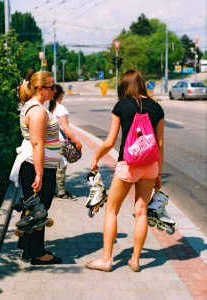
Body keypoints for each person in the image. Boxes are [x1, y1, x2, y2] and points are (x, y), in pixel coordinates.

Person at [85, 70, 164, 272]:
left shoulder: (122, 106)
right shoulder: (157, 108)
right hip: (150, 166)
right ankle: (135, 261)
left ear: (124, 86)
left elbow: (110, 141)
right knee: (141, 212)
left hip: (128, 164)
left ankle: (106, 259)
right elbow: (160, 145)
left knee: (112, 210)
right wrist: (159, 174)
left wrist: (95, 158)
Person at [14, 70, 62, 265]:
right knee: (39, 209)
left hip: (37, 166)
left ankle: (28, 248)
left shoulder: (35, 107)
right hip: (36, 167)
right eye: (51, 87)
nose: (54, 90)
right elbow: (37, 144)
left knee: (34, 208)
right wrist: (40, 174)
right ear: (41, 89)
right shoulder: (37, 111)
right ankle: (37, 253)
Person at [49, 84, 82, 200]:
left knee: (54, 166)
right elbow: (65, 128)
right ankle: (61, 192)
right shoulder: (61, 108)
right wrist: (76, 141)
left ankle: (52, 190)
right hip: (60, 141)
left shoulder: (51, 108)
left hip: (51, 141)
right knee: (61, 166)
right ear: (61, 94)